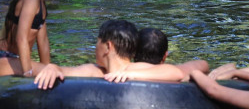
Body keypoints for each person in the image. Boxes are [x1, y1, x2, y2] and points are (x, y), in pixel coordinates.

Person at [34, 20, 190, 90]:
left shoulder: (136, 68)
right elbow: (67, 71)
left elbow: (176, 72)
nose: (95, 47)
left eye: (97, 42)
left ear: (108, 46)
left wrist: (130, 75)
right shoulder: (94, 70)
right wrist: (53, 67)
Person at [134, 27, 209, 78]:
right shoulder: (173, 72)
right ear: (165, 56)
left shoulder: (124, 72)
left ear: (132, 53)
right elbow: (203, 64)